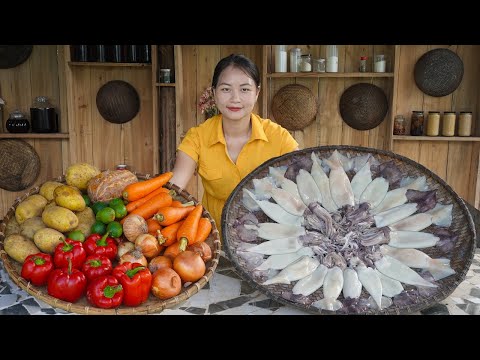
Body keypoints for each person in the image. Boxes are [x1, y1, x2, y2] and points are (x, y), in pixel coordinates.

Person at [170, 53, 299, 236]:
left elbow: (303, 179)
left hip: (270, 239)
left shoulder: (278, 137)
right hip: (216, 242)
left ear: (257, 93)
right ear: (214, 93)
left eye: (245, 89)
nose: (235, 99)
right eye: (226, 89)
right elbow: (174, 187)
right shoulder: (197, 137)